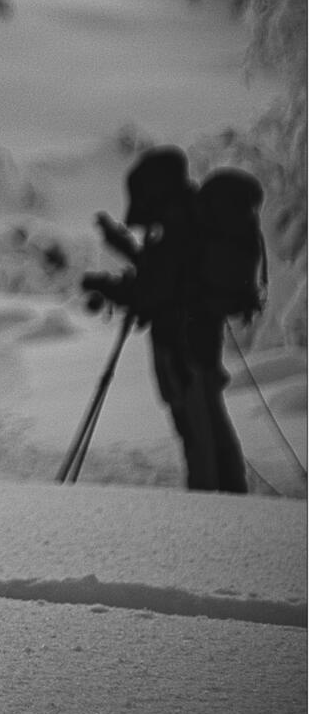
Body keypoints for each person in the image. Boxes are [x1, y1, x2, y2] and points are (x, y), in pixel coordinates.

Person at [81, 146, 248, 494]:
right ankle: (230, 494)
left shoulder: (175, 226)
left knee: (195, 426)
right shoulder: (187, 221)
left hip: (181, 342)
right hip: (200, 336)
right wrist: (123, 248)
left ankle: (210, 501)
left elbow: (152, 289)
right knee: (209, 419)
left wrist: (108, 286)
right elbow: (162, 274)